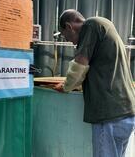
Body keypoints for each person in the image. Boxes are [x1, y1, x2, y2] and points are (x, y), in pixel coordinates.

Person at [53, 9, 135, 157]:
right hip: (125, 111)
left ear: (69, 26)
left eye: (66, 37)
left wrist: (66, 86)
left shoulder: (90, 26)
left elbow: (80, 65)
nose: (70, 42)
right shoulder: (105, 24)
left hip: (109, 115)